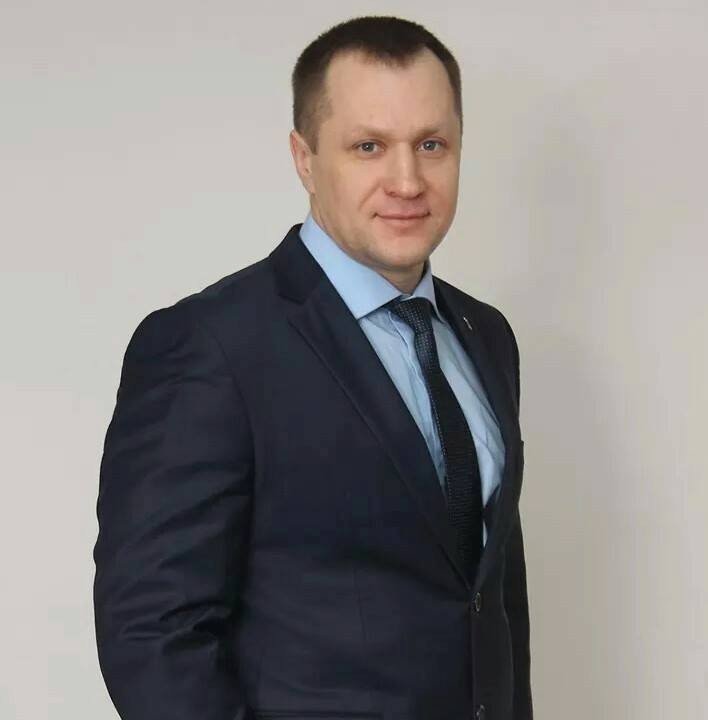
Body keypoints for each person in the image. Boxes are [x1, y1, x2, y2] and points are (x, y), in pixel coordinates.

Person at [93, 15, 533, 720]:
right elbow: (152, 634)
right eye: (368, 146)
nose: (407, 180)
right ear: (304, 157)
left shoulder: (486, 336)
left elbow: (489, 598)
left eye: (431, 144)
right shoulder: (211, 344)